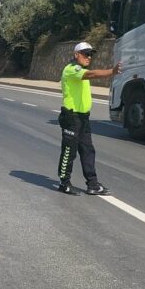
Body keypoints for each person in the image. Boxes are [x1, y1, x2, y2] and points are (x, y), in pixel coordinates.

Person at [57, 42, 121, 196]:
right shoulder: (72, 70)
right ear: (76, 54)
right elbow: (91, 75)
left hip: (83, 118)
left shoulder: (81, 70)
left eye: (91, 54)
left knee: (88, 150)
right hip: (71, 117)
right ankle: (64, 183)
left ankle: (92, 184)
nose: (89, 57)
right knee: (69, 151)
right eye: (85, 54)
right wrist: (112, 71)